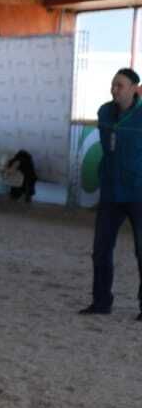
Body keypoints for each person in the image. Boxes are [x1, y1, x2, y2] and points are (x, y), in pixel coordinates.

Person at [82, 68, 142, 316]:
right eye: (113, 85)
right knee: (101, 250)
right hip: (110, 192)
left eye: (120, 85)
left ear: (134, 89)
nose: (114, 89)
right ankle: (101, 302)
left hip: (139, 192)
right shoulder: (104, 112)